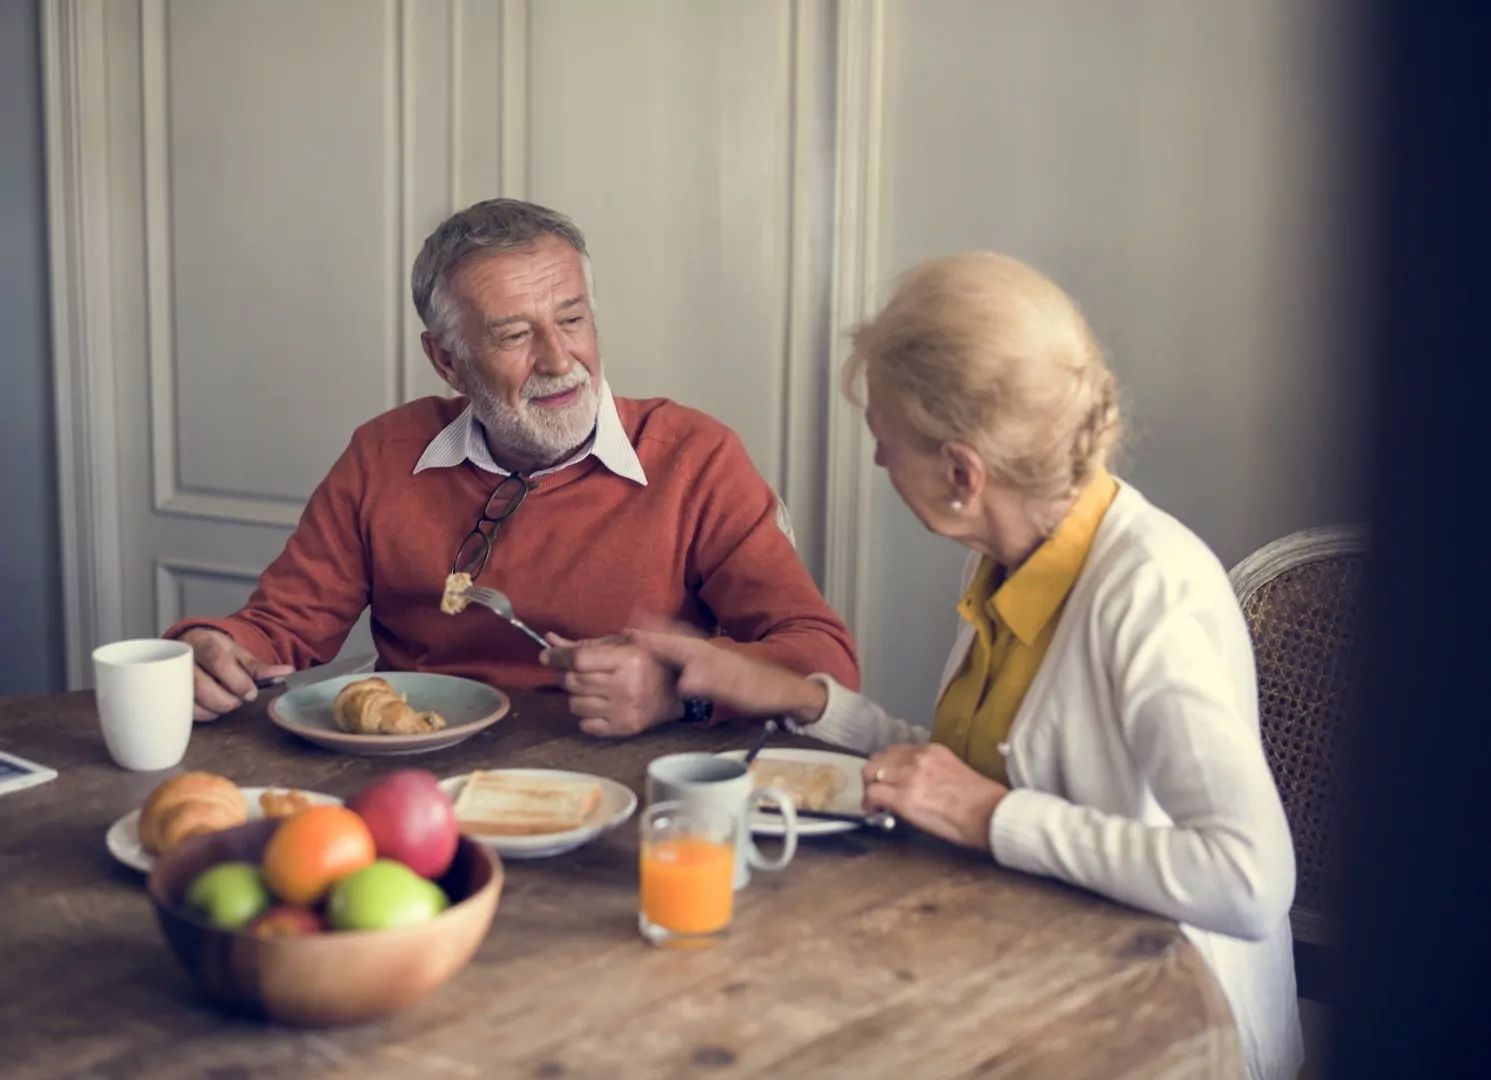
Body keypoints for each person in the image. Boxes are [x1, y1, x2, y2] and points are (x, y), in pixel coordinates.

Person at [629, 253, 1303, 1080]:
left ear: (960, 473)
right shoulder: (1008, 552)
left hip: (1156, 1031)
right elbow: (965, 776)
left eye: (883, 443)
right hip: (1025, 965)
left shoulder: (1148, 593)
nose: (877, 464)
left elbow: (1246, 878)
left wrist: (990, 817)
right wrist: (805, 700)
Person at [166, 198, 859, 736]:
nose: (559, 361)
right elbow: (281, 626)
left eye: (571, 320)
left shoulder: (694, 457)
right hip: (422, 776)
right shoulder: (382, 454)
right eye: (514, 335)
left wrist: (677, 694)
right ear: (446, 359)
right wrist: (213, 646)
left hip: (627, 786)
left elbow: (822, 660)